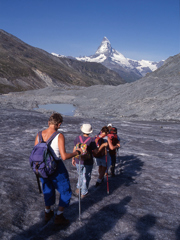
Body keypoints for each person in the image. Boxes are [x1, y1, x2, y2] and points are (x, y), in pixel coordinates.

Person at [34, 113, 82, 225]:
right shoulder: (59, 136)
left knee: (48, 190)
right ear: (59, 124)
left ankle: (47, 212)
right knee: (65, 191)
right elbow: (64, 156)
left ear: (48, 122)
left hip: (41, 168)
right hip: (56, 168)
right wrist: (76, 153)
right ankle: (59, 216)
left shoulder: (39, 134)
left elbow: (35, 152)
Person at [72, 124, 102, 198]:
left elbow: (74, 149)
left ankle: (78, 189)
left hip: (78, 160)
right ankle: (84, 192)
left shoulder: (77, 138)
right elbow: (95, 152)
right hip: (88, 161)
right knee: (86, 176)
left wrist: (73, 158)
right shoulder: (92, 140)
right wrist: (102, 146)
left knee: (80, 174)